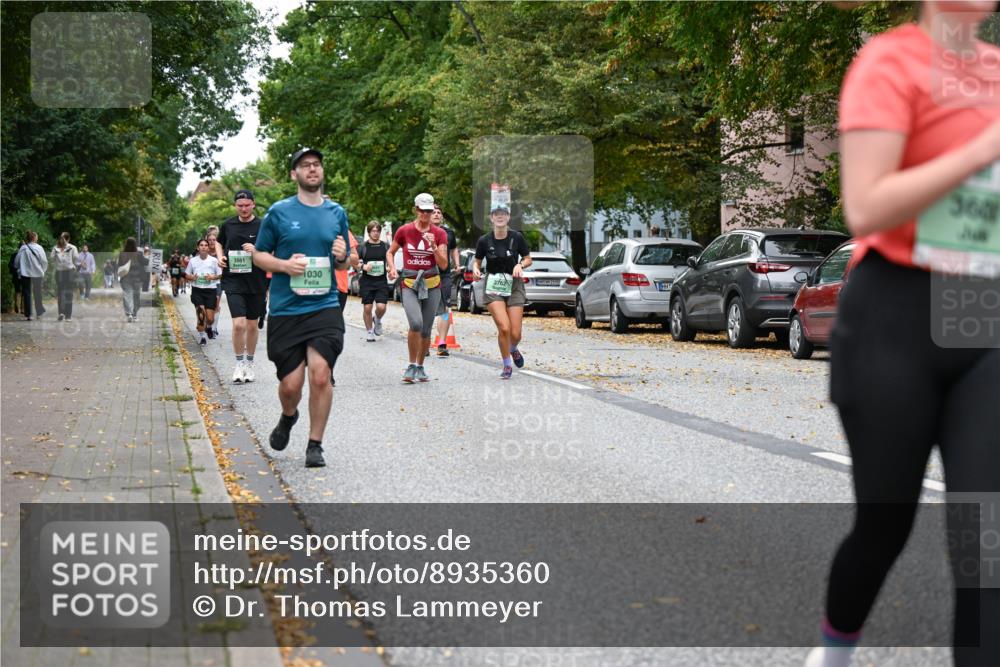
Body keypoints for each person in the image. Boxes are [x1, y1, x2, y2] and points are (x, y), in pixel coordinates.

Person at [805, 4, 1000, 667]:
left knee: (987, 538)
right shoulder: (889, 62)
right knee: (886, 524)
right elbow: (866, 204)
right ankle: (834, 652)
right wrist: (981, 150)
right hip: (894, 311)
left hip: (981, 310)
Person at [252, 147, 350, 468]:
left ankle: (315, 444)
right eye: (305, 166)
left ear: (322, 172)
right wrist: (283, 265)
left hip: (324, 306)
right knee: (291, 385)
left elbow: (347, 258)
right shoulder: (279, 212)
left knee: (321, 376)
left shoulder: (336, 212)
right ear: (294, 174)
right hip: (286, 309)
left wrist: (341, 255)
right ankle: (288, 416)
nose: (312, 170)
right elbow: (259, 255)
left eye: (317, 165)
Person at [386, 193, 448, 383]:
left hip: (432, 284)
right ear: (416, 210)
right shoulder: (404, 230)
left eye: (429, 211)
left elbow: (444, 265)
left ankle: (420, 367)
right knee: (416, 324)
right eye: (422, 210)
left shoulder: (439, 234)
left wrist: (434, 247)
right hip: (410, 283)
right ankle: (411, 364)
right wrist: (392, 267)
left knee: (426, 330)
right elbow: (390, 252)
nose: (426, 214)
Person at [473, 203, 532, 379]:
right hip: (494, 285)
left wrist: (520, 265)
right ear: (491, 218)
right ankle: (507, 364)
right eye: (496, 214)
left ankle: (513, 349)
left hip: (514, 285)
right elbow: (477, 260)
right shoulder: (484, 240)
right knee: (504, 328)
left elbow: (528, 259)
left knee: (515, 333)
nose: (500, 217)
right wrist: (476, 269)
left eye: (503, 214)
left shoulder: (517, 237)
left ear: (508, 217)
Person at [215, 190, 268, 383]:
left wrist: (256, 250)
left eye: (247, 205)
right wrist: (219, 257)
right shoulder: (228, 224)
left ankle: (250, 363)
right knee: (238, 324)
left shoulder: (263, 225)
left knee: (252, 325)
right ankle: (238, 364)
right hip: (233, 279)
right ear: (235, 206)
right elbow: (219, 243)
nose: (244, 209)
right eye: (240, 206)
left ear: (253, 204)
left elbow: (272, 248)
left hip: (256, 280)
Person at [325, 195, 359, 387]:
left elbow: (355, 259)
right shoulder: (304, 230)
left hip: (337, 288)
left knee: (330, 331)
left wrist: (343, 253)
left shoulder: (343, 231)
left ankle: (328, 369)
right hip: (310, 286)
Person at [431, 204, 460, 356]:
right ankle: (423, 340)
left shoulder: (449, 233)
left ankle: (442, 343)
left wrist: (457, 263)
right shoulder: (423, 231)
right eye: (433, 212)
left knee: (445, 307)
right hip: (427, 274)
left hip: (444, 274)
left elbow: (454, 248)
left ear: (442, 216)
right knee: (426, 308)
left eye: (439, 212)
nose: (436, 214)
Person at [358, 221, 392, 342]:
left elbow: (389, 260)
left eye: (378, 231)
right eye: (373, 231)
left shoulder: (385, 246)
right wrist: (363, 267)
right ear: (369, 232)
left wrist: (389, 268)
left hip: (381, 281)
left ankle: (377, 319)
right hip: (367, 281)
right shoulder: (363, 247)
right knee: (367, 308)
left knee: (381, 307)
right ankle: (369, 331)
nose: (376, 233)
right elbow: (355, 262)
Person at [184, 238, 221, 345]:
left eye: (206, 245)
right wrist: (192, 277)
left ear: (209, 248)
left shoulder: (214, 261)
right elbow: (186, 275)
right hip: (197, 291)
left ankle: (209, 327)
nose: (204, 247)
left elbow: (220, 275)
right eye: (201, 245)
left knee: (210, 319)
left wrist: (212, 277)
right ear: (198, 247)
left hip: (210, 291)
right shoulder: (193, 261)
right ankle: (202, 337)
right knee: (201, 317)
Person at [15, 231, 47, 320]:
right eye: (36, 237)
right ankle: (39, 313)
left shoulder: (23, 248)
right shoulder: (39, 248)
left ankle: (29, 314)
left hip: (25, 274)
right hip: (37, 273)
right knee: (37, 293)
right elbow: (44, 261)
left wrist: (19, 269)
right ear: (33, 238)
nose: (37, 238)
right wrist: (43, 270)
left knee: (27, 293)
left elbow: (16, 262)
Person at [116, 237, 147, 322]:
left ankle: (129, 313)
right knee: (136, 296)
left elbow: (119, 265)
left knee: (127, 295)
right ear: (135, 244)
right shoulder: (138, 254)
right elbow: (145, 262)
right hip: (137, 278)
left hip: (126, 278)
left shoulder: (122, 254)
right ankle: (134, 315)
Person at [51, 232, 79, 321]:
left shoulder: (72, 247)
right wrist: (57, 250)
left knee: (68, 293)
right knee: (60, 293)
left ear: (67, 239)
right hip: (59, 272)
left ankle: (68, 315)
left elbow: (76, 258)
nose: (61, 240)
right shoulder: (56, 248)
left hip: (69, 272)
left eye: (63, 238)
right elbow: (51, 258)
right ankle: (61, 313)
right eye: (60, 238)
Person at [9, 241, 24, 314]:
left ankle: (18, 307)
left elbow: (10, 266)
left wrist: (14, 271)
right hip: (23, 275)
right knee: (23, 291)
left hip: (17, 275)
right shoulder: (25, 255)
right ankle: (22, 308)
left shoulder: (14, 255)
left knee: (18, 291)